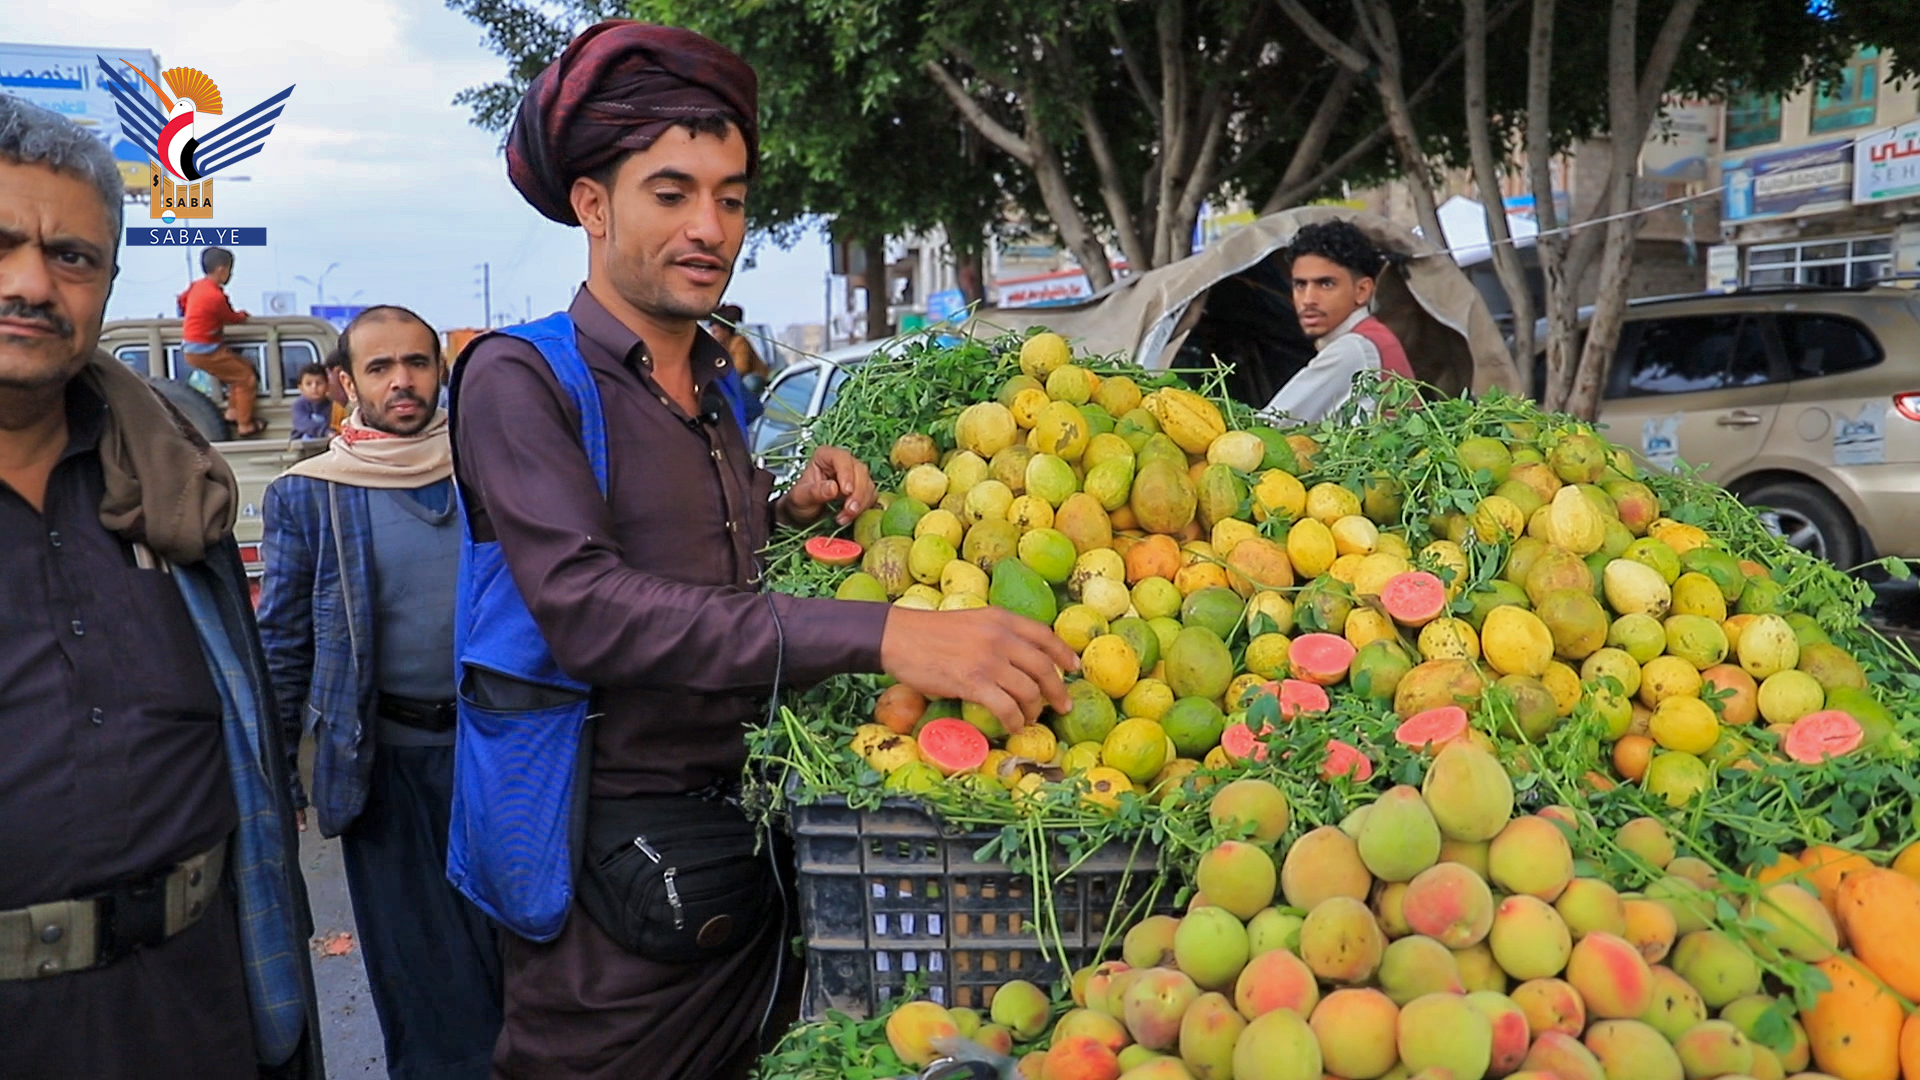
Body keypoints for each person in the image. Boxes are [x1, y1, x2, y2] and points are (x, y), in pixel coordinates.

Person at [451, 21, 1078, 1080]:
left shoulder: (711, 381)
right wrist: (888, 637)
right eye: (672, 192)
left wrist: (786, 507)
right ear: (592, 205)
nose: (711, 227)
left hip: (744, 847)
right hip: (604, 874)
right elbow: (591, 607)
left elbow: (690, 552)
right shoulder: (522, 380)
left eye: (732, 197)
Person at [0, 96, 320, 1078]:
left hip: (205, 1003)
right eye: (2, 242)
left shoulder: (171, 483)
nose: (30, 285)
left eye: (73, 257)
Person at [257, 306, 502, 1080]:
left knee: (515, 955)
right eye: (380, 367)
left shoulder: (488, 470)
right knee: (416, 967)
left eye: (418, 363)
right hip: (382, 767)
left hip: (501, 756)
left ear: (440, 372)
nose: (403, 381)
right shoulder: (312, 494)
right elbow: (286, 641)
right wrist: (277, 775)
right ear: (344, 383)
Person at [1261, 220, 1414, 422]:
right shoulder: (1376, 338)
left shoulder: (1354, 349)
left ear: (1362, 290)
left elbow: (1269, 424)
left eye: (1325, 284)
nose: (1308, 300)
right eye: (1300, 285)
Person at [177, 246, 266, 437]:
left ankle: (233, 412)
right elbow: (230, 317)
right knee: (246, 379)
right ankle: (245, 424)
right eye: (230, 270)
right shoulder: (216, 296)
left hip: (193, 345)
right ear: (221, 270)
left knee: (241, 368)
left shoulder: (197, 286)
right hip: (206, 349)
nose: (230, 275)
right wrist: (242, 315)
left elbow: (182, 300)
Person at [290, 361, 334, 440]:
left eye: (319, 383)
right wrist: (325, 431)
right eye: (308, 384)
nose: (314, 387)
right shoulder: (299, 405)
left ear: (327, 386)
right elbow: (303, 423)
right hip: (302, 445)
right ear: (300, 388)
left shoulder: (333, 406)